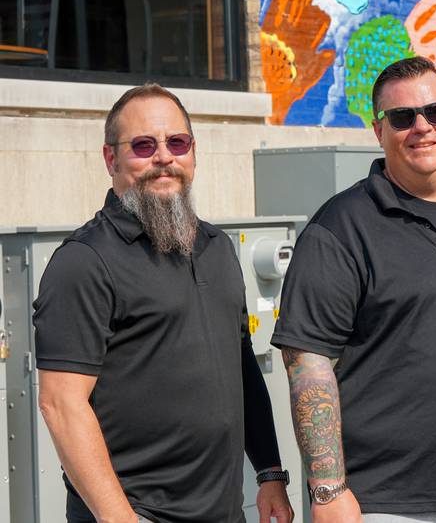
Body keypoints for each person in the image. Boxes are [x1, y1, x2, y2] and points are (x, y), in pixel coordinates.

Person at [270, 56, 436, 523]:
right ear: (379, 131)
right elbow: (308, 361)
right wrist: (328, 489)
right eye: (402, 117)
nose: (422, 127)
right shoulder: (340, 227)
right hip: (388, 505)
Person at [32, 83, 294, 523]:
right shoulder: (84, 261)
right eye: (143, 145)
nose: (164, 157)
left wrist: (269, 471)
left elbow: (242, 366)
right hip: (135, 514)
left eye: (177, 142)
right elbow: (60, 404)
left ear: (193, 152)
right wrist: (118, 517)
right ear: (110, 159)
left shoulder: (218, 247)